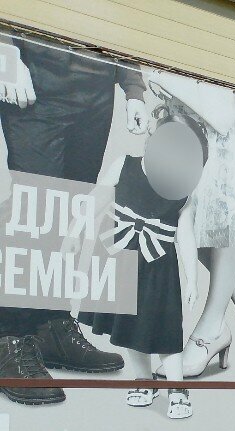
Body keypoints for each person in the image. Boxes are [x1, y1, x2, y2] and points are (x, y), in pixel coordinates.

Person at [0, 34, 146, 405]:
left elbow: (122, 17)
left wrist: (132, 86)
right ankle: (8, 339)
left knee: (70, 212)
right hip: (37, 76)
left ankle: (50, 327)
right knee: (34, 211)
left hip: (96, 87)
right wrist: (5, 48)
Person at [145, 72, 235, 378]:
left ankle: (212, 326)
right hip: (194, 107)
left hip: (228, 102)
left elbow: (225, 110)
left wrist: (164, 80)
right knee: (187, 217)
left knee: (224, 213)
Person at [80, 107, 205, 419]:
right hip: (121, 259)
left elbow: (185, 235)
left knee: (164, 330)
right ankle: (143, 380)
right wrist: (75, 236)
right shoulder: (124, 165)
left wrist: (192, 278)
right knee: (129, 327)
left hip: (159, 269)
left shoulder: (183, 189)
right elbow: (96, 202)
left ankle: (177, 388)